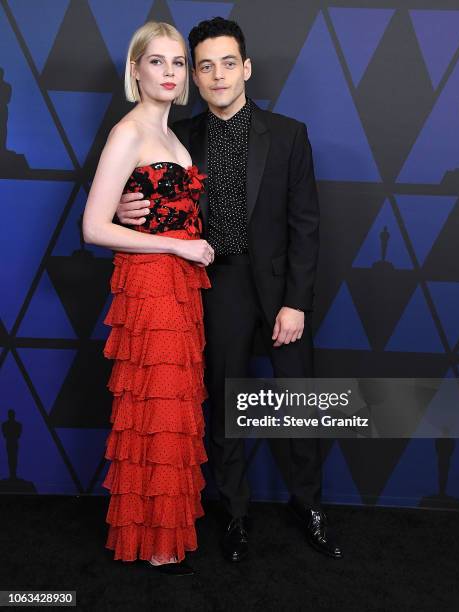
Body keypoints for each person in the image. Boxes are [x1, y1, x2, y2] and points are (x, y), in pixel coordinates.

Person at [117, 17, 343, 562]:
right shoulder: (180, 135)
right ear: (195, 76)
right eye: (204, 66)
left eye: (227, 63)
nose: (217, 75)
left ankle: (307, 504)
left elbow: (305, 225)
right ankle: (235, 514)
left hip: (278, 289)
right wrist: (131, 211)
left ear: (246, 68)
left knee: (300, 406)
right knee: (226, 406)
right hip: (214, 285)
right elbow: (151, 201)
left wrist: (296, 302)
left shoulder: (289, 134)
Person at [82, 21, 214, 576]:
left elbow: (158, 207)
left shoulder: (174, 134)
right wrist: (178, 249)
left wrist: (178, 247)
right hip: (151, 283)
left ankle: (162, 538)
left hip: (179, 286)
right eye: (156, 62)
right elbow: (93, 227)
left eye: (178, 62)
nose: (169, 72)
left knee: (173, 409)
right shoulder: (129, 132)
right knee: (154, 410)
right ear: (135, 70)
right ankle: (154, 545)